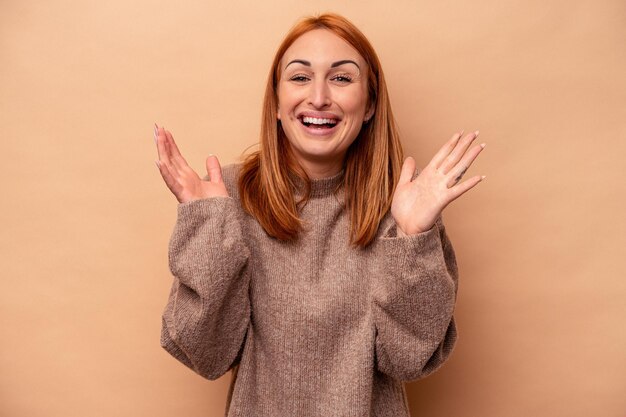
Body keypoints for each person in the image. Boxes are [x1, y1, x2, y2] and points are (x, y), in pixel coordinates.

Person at [154, 12, 485, 417]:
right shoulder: (228, 197)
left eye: (342, 78)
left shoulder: (402, 205)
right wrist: (207, 228)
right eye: (299, 77)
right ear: (276, 103)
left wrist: (413, 238)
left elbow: (408, 360)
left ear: (369, 106)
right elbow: (206, 355)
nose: (319, 97)